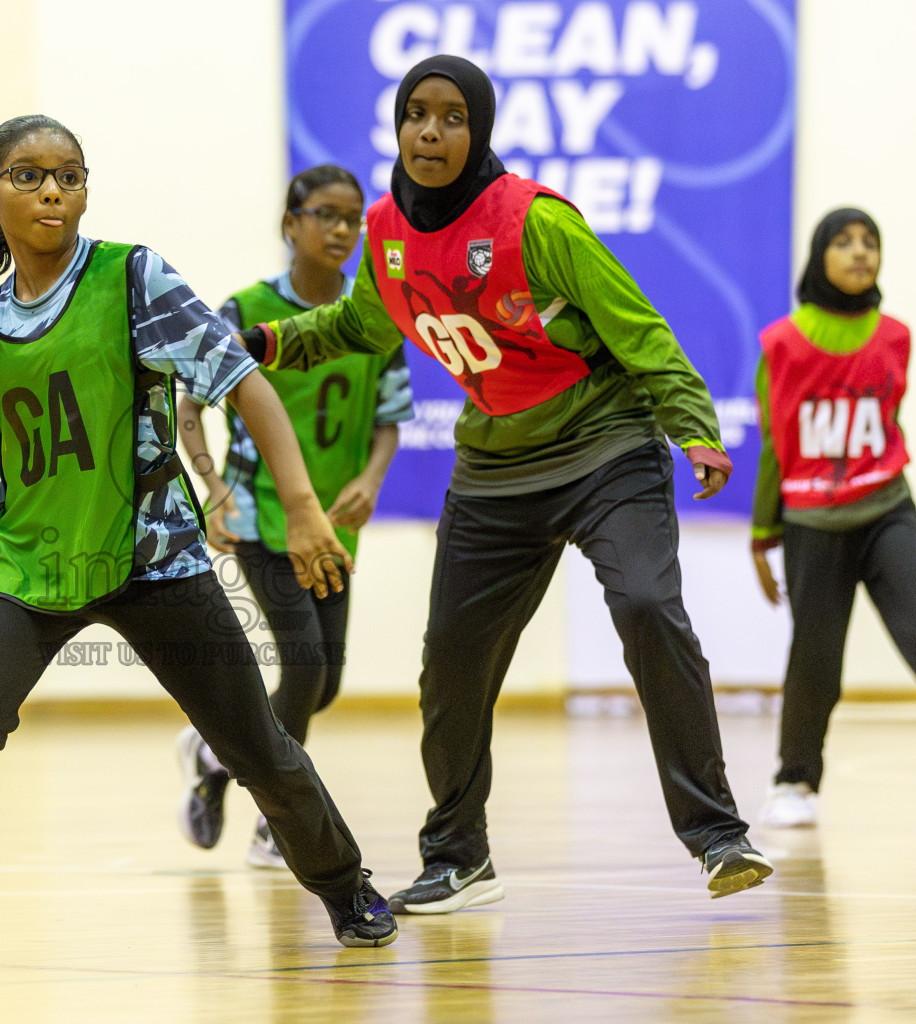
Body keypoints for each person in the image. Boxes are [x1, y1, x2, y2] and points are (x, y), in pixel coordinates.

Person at [0, 114, 399, 966]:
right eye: (28, 176)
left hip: (154, 558)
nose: (52, 189)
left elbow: (243, 382)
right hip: (28, 565)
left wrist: (302, 503)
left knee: (258, 746)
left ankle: (345, 884)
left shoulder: (131, 278)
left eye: (69, 174)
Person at [234, 56, 772, 912]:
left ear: (478, 130)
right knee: (451, 663)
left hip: (604, 443)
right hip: (494, 468)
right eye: (417, 113)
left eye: (452, 117)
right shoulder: (388, 230)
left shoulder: (534, 222)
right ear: (398, 126)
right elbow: (359, 322)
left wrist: (695, 430)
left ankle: (717, 835)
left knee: (644, 605)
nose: (431, 131)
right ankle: (458, 856)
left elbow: (639, 330)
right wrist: (267, 340)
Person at [173, 165, 412, 869]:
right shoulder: (245, 308)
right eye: (325, 215)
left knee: (325, 680)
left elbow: (388, 421)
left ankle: (215, 757)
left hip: (334, 523)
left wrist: (371, 480)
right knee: (304, 664)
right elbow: (191, 403)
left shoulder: (374, 315)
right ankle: (278, 822)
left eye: (352, 219)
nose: (341, 230)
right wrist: (214, 487)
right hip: (259, 515)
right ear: (291, 224)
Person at [752, 208, 916, 861]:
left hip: (886, 511)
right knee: (816, 658)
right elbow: (773, 444)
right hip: (812, 521)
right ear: (820, 257)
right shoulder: (780, 343)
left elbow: (888, 418)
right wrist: (763, 535)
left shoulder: (895, 336)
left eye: (870, 242)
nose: (860, 252)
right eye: (844, 242)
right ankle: (794, 779)